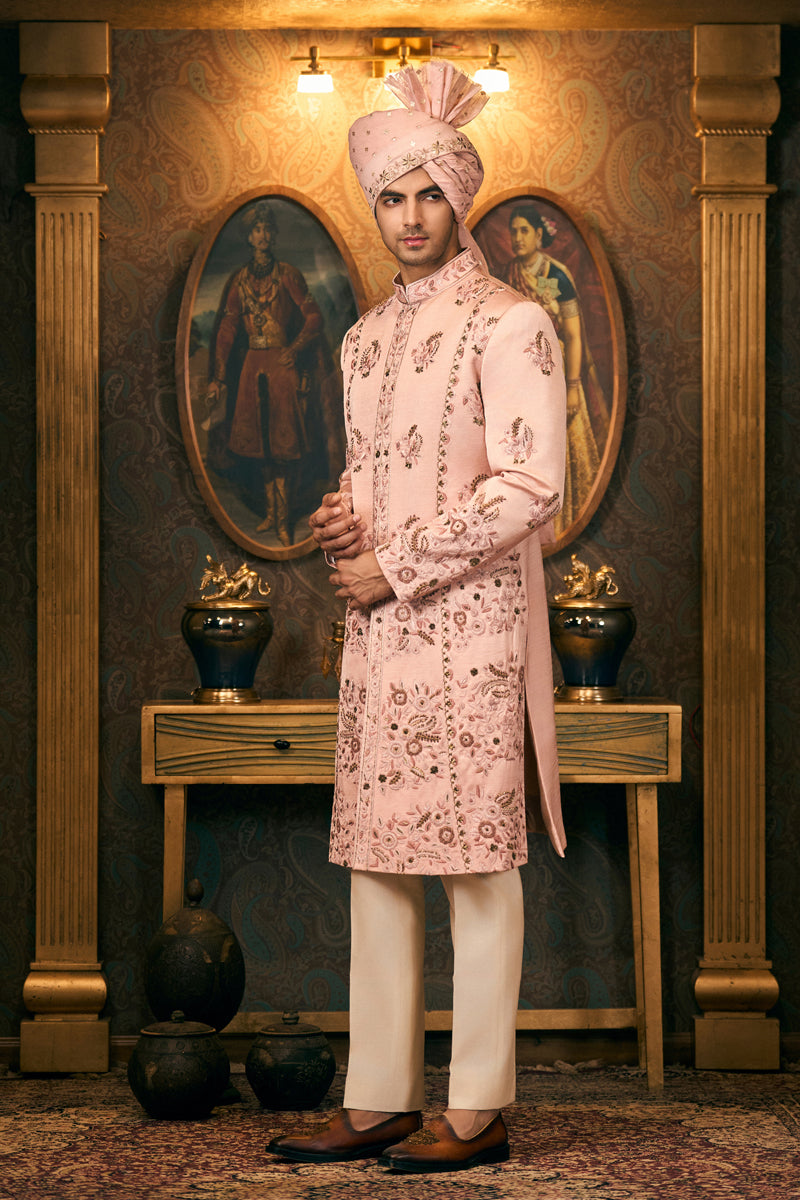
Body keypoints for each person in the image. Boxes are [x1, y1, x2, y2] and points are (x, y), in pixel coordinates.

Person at [267, 60, 566, 1174]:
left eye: (428, 193)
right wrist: (345, 517)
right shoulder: (362, 341)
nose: (408, 217)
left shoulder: (512, 323)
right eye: (390, 197)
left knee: (477, 869)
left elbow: (528, 487)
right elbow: (384, 475)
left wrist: (392, 562)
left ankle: (477, 1108)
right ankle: (380, 1097)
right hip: (381, 635)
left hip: (473, 631)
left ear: (459, 198)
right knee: (379, 864)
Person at [204, 201, 330, 547]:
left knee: (282, 444)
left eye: (267, 229)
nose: (262, 235)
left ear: (273, 235)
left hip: (280, 365)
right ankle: (272, 514)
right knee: (260, 444)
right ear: (249, 237)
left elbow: (314, 317)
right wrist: (218, 377)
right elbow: (228, 329)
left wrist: (295, 348)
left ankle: (284, 519)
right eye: (256, 230)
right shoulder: (240, 280)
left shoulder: (287, 274)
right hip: (251, 367)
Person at [501, 203, 609, 536]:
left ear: (538, 234)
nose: (518, 238)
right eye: (514, 231)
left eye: (524, 231)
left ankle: (561, 526)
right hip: (515, 375)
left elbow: (574, 335)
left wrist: (573, 386)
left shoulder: (556, 275)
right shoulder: (505, 275)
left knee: (559, 447)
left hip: (556, 372)